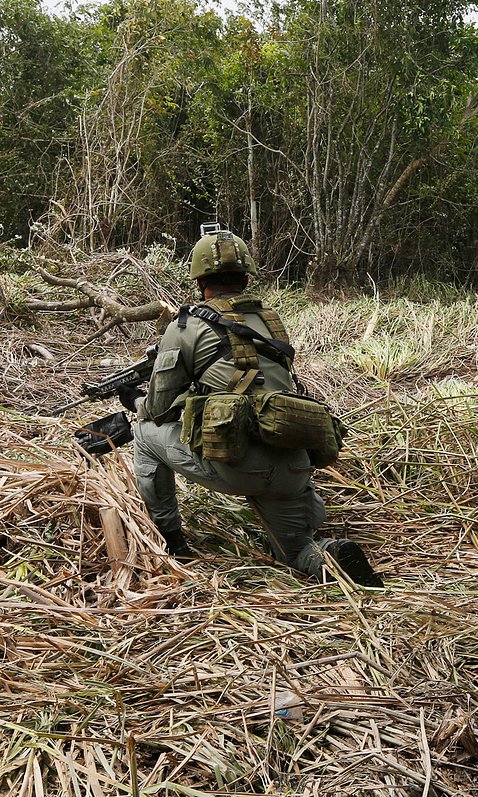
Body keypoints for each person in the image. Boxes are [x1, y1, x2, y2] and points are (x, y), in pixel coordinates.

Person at [120, 228, 382, 586]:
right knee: (294, 553)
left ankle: (171, 541)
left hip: (236, 463)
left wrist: (134, 400)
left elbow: (159, 409)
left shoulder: (186, 325)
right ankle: (330, 556)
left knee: (143, 432)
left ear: (199, 281)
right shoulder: (271, 321)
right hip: (291, 463)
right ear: (246, 279)